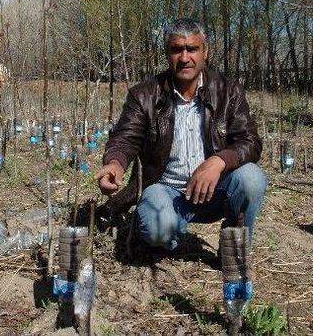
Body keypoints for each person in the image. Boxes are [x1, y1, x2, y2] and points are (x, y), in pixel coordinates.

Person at [95, 18, 267, 252]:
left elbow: (250, 141)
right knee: (156, 228)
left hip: (215, 190)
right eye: (177, 50)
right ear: (167, 54)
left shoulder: (228, 91)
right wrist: (115, 164)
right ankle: (166, 234)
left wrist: (218, 162)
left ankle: (232, 250)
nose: (185, 58)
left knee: (252, 179)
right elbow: (126, 137)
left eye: (192, 49)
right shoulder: (144, 95)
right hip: (164, 189)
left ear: (205, 52)